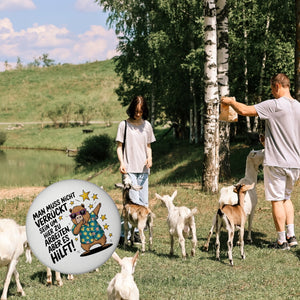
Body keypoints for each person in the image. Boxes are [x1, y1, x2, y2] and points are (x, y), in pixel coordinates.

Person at [221, 73, 300, 250]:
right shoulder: (298, 107)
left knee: (277, 200)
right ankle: (291, 236)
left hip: (277, 162)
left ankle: (281, 241)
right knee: (287, 198)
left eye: (272, 89)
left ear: (277, 86)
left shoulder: (274, 105)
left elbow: (244, 110)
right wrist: (270, 141)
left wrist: (230, 102)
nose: (272, 93)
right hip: (295, 162)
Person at [116, 96, 156, 242]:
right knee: (130, 203)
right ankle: (123, 236)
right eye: (135, 110)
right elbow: (119, 147)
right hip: (129, 170)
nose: (138, 114)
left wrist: (149, 158)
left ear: (144, 111)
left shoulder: (147, 126)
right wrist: (122, 163)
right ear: (131, 109)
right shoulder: (124, 125)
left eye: (140, 111)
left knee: (144, 204)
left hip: (144, 170)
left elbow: (148, 146)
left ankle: (137, 234)